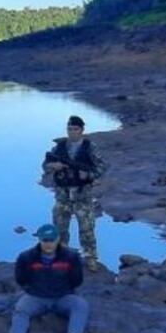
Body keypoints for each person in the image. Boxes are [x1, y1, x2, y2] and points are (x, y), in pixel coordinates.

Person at [8, 224, 90, 333]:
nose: (48, 244)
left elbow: (77, 280)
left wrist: (66, 290)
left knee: (80, 305)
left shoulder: (71, 257)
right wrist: (31, 290)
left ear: (58, 239)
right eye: (45, 240)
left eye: (52, 240)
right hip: (36, 297)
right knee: (21, 309)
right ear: (39, 239)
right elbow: (21, 279)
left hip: (63, 297)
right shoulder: (26, 257)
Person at [43, 115, 107, 272]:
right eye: (69, 129)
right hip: (62, 195)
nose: (72, 132)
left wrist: (89, 176)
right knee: (60, 229)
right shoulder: (59, 147)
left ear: (82, 130)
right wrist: (54, 166)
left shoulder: (89, 147)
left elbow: (102, 167)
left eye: (75, 129)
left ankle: (91, 258)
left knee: (87, 229)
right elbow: (45, 165)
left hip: (82, 195)